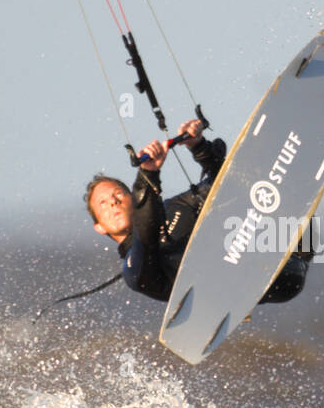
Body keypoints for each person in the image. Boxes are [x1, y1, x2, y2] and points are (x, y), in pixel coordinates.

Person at [85, 118, 310, 304]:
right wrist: (148, 175)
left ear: (133, 199)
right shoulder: (135, 270)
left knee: (244, 180)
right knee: (139, 270)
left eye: (117, 194)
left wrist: (199, 146)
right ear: (99, 227)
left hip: (291, 252)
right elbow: (146, 235)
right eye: (102, 203)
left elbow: (224, 184)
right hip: (258, 281)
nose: (113, 202)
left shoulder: (175, 208)